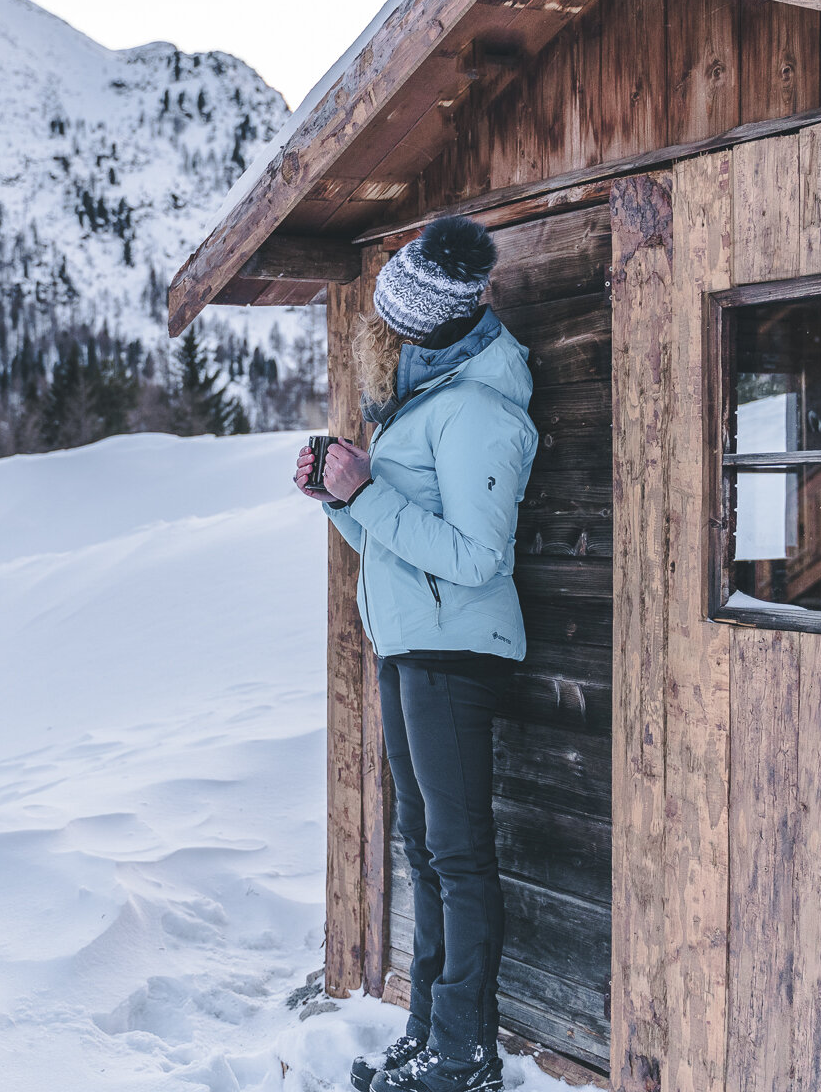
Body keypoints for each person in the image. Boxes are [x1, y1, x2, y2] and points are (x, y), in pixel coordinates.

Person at [292, 215, 537, 1092]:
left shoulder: (479, 410)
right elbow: (397, 544)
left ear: (432, 321)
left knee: (458, 855)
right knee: (427, 848)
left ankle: (462, 1053)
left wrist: (365, 492)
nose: (386, 328)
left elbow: (476, 559)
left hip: (455, 653)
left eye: (397, 315)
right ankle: (433, 1030)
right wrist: (340, 499)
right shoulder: (430, 397)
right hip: (411, 645)